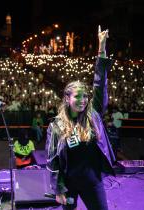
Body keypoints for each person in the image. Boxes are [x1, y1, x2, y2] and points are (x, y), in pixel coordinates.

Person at [45, 26, 116, 210]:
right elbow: (53, 160)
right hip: (69, 185)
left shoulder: (94, 115)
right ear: (67, 99)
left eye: (85, 96)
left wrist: (101, 49)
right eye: (77, 96)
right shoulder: (57, 126)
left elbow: (100, 84)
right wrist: (58, 189)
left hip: (93, 182)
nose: (83, 100)